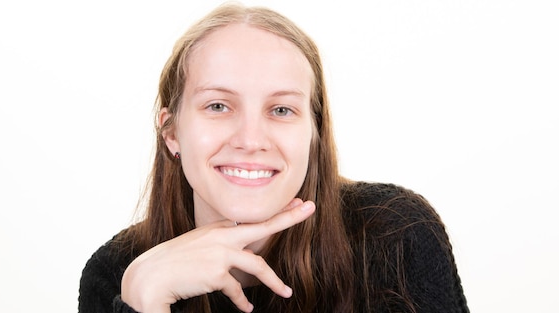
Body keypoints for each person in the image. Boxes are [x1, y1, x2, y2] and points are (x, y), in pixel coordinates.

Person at [78, 3, 469, 313]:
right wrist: (144, 304)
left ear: (314, 132)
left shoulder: (396, 235)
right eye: (218, 105)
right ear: (172, 132)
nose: (251, 140)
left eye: (281, 110)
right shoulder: (118, 275)